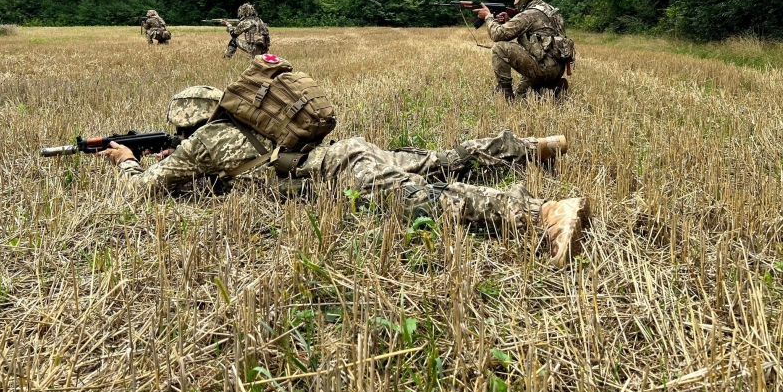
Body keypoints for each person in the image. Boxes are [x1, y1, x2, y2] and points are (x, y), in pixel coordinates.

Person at [99, 86, 589, 265]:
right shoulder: (251, 122)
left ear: (188, 124)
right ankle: (532, 146)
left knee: (427, 198)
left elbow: (143, 191)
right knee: (439, 159)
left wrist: (126, 160)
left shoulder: (201, 144)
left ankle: (540, 211)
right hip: (346, 152)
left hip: (338, 173)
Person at [474, 0, 569, 101]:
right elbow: (536, 36)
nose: (514, 2)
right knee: (521, 95)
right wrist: (509, 21)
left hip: (543, 68)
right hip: (558, 68)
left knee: (499, 48)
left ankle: (506, 96)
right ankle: (554, 87)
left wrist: (488, 17)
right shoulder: (550, 10)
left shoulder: (529, 14)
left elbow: (497, 34)